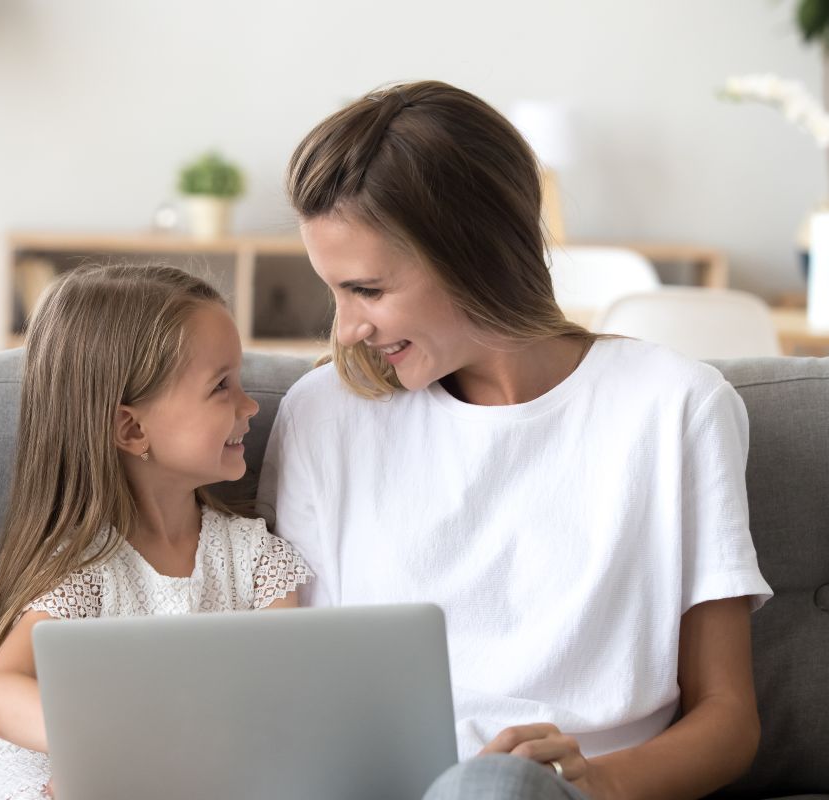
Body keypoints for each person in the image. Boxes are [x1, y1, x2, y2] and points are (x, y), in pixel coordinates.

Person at [258, 80, 772, 800]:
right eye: (335, 291)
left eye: (368, 290)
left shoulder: (675, 407)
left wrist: (595, 781)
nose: (346, 329)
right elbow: (296, 693)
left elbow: (727, 718)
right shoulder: (325, 415)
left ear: (473, 255)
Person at [0, 264, 312, 799]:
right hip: (55, 757)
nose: (250, 406)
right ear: (132, 428)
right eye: (221, 387)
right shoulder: (88, 567)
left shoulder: (254, 559)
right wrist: (116, 747)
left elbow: (285, 692)